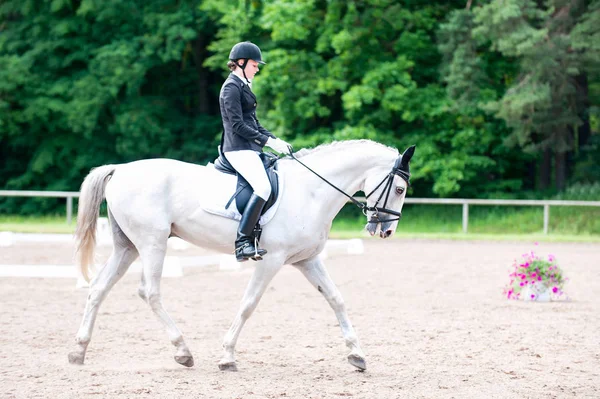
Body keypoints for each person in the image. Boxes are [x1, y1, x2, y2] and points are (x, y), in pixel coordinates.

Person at [219, 41, 292, 262]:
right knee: (263, 187)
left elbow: (254, 123)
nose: (257, 68)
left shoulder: (243, 86)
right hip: (237, 148)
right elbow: (237, 125)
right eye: (254, 64)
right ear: (240, 63)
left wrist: (275, 140)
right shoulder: (231, 88)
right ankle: (242, 241)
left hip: (249, 147)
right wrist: (266, 141)